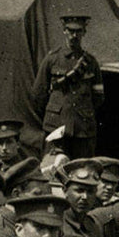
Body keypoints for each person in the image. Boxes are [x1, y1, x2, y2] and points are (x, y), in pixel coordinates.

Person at [31, 14, 102, 159]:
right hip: (56, 127)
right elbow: (38, 95)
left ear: (84, 32)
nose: (74, 35)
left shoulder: (91, 62)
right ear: (64, 31)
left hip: (82, 129)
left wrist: (82, 112)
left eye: (78, 31)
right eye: (70, 31)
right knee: (52, 169)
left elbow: (98, 97)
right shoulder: (52, 59)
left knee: (81, 172)